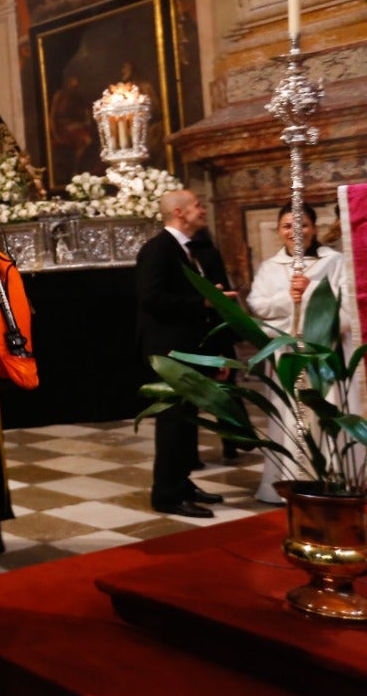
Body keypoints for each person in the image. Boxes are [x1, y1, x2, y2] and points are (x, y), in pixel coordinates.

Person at [246, 203, 358, 504]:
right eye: (287, 226)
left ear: (314, 228)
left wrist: (311, 292)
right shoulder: (270, 266)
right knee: (289, 415)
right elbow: (258, 305)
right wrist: (289, 297)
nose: (295, 232)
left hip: (325, 353)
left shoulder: (334, 262)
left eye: (303, 225)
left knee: (326, 413)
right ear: (279, 230)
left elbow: (350, 308)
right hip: (287, 355)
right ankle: (289, 484)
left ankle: (334, 481)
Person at [136, 189, 238, 518]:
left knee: (187, 423)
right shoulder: (157, 249)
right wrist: (204, 301)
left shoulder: (192, 249)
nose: (202, 209)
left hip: (191, 350)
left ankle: (182, 482)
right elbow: (152, 300)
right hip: (169, 353)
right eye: (197, 205)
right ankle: (166, 494)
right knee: (172, 424)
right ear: (179, 212)